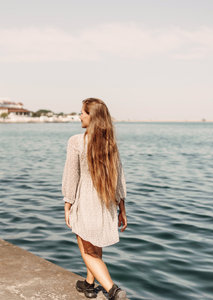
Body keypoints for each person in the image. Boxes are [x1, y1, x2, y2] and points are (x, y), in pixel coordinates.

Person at [62, 98, 128, 300]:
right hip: (106, 203)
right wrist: (122, 208)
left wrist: (68, 203)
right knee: (94, 244)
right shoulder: (110, 144)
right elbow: (119, 178)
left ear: (93, 117)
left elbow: (71, 176)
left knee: (87, 250)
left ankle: (113, 290)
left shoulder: (76, 141)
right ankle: (89, 285)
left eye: (83, 112)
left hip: (85, 201)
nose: (79, 116)